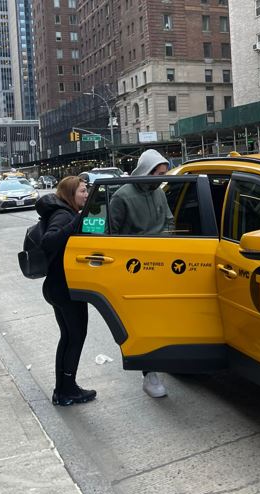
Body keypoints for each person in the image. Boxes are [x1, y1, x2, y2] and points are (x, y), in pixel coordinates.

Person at [109, 149, 172, 398]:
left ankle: (162, 364)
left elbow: (169, 220)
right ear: (147, 170)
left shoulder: (159, 193)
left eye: (164, 174)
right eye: (158, 174)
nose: (161, 179)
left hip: (163, 264)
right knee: (143, 323)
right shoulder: (122, 196)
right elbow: (113, 235)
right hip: (135, 268)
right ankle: (150, 373)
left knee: (162, 318)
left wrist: (167, 240)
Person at [36, 176, 97, 406]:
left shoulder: (66, 212)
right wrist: (77, 221)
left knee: (69, 337)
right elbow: (49, 241)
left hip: (59, 286)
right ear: (71, 193)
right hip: (65, 288)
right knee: (75, 337)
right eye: (83, 191)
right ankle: (66, 390)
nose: (86, 194)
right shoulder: (64, 214)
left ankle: (64, 389)